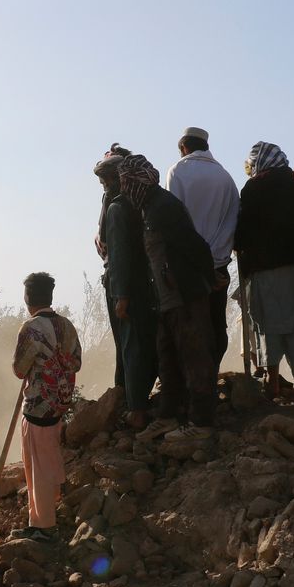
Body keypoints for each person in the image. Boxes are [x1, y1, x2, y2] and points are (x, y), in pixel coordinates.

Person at [118, 155, 218, 440]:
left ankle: (201, 424)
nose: (125, 191)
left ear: (137, 183)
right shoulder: (150, 207)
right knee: (169, 361)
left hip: (185, 296)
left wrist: (209, 280)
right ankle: (169, 416)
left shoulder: (164, 207)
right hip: (166, 300)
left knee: (195, 358)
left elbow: (195, 246)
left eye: (127, 184)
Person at [234, 143, 294, 401]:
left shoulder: (255, 188)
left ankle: (271, 382)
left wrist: (237, 244)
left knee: (268, 327)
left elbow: (243, 229)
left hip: (268, 271)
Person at [11, 273, 82, 541]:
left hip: (37, 405)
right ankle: (55, 502)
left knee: (36, 464)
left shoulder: (29, 329)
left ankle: (43, 525)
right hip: (61, 401)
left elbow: (19, 369)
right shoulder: (67, 326)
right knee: (50, 451)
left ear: (27, 298)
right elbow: (76, 362)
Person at [165, 127, 240, 370]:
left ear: (183, 148)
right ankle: (211, 374)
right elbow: (232, 220)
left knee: (190, 325)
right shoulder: (225, 177)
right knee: (217, 323)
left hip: (188, 266)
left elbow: (175, 221)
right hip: (219, 266)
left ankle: (195, 383)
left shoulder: (178, 171)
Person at [97, 148, 157, 427]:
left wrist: (121, 295)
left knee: (132, 346)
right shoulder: (131, 203)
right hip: (139, 284)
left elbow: (119, 254)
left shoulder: (119, 208)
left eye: (106, 179)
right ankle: (129, 399)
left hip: (125, 287)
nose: (104, 185)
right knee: (132, 345)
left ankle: (136, 408)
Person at [94, 143, 134, 392]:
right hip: (124, 277)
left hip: (121, 281)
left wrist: (121, 293)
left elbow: (107, 242)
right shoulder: (133, 194)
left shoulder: (116, 200)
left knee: (126, 341)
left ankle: (127, 396)